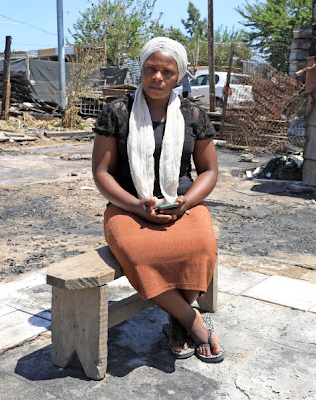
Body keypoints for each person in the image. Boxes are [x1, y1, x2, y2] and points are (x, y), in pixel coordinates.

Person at [91, 37, 223, 363]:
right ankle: (192, 322)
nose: (158, 77)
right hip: (127, 206)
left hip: (181, 203)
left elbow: (209, 171)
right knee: (141, 253)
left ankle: (176, 322)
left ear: (179, 76)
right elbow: (102, 173)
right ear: (142, 69)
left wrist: (188, 200)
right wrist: (136, 205)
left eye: (167, 71)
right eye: (151, 69)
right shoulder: (117, 113)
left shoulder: (194, 115)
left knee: (201, 247)